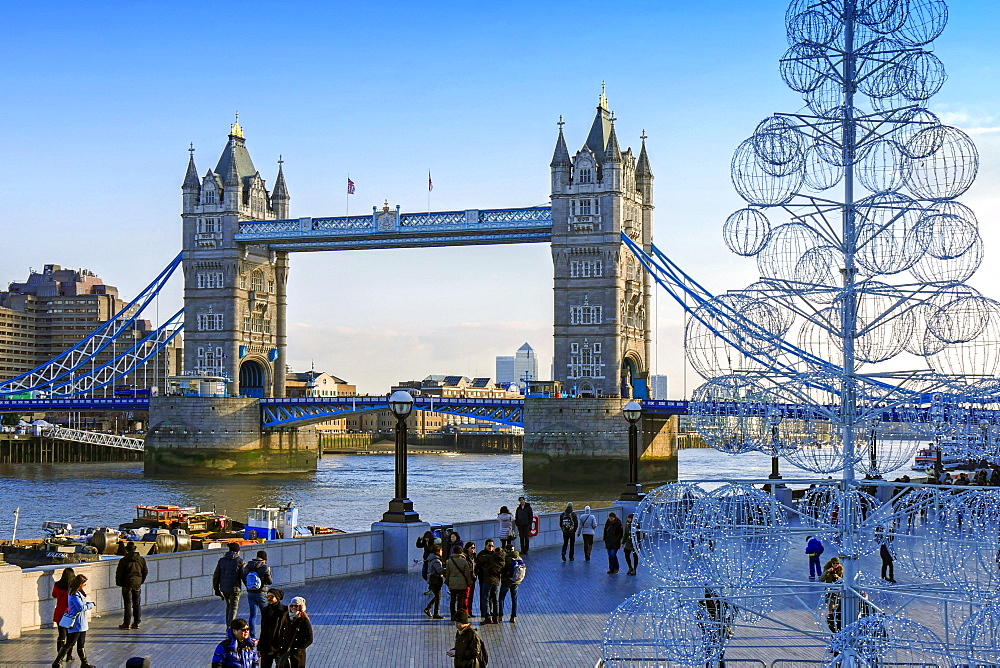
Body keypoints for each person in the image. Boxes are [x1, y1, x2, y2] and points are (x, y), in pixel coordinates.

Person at [52, 574, 96, 668]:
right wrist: (91, 605)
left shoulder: (77, 592)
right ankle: (57, 662)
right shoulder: (74, 594)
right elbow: (80, 607)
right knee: (70, 643)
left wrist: (87, 604)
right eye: (84, 583)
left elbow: (82, 604)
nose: (85, 585)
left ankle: (84, 663)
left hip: (82, 623)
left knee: (81, 644)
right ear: (80, 584)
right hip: (77, 623)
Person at [115, 541, 149, 630]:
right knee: (137, 604)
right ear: (135, 549)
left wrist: (119, 582)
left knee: (128, 604)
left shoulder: (123, 560)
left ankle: (126, 623)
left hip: (126, 583)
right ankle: (136, 622)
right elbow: (145, 571)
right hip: (137, 583)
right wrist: (141, 580)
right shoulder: (141, 560)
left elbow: (119, 573)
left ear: (127, 550)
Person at [214, 542, 247, 626]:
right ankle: (230, 628)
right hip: (235, 589)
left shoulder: (221, 560)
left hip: (224, 588)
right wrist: (249, 587)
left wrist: (216, 589)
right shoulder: (240, 561)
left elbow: (216, 576)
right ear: (238, 551)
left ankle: (228, 626)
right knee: (233, 608)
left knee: (229, 606)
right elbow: (244, 576)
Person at [474, 538, 504, 625]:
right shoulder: (498, 558)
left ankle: (488, 617)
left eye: (492, 546)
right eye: (489, 546)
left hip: (488, 580)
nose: (491, 547)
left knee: (487, 599)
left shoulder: (490, 557)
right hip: (492, 580)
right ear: (485, 546)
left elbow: (481, 562)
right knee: (494, 600)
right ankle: (493, 617)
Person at [244, 550, 273, 638]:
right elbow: (270, 582)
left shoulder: (248, 566)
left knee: (252, 615)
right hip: (262, 593)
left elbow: (244, 577)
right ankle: (265, 634)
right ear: (264, 559)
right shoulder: (265, 567)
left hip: (250, 593)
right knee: (265, 615)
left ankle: (252, 636)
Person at [277, 596, 313, 668]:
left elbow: (309, 639)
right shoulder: (286, 617)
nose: (293, 608)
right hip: (285, 651)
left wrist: (299, 648)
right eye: (292, 605)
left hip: (297, 654)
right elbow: (281, 632)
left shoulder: (304, 620)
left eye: (296, 606)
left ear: (300, 607)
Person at [258, 588, 288, 668]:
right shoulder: (265, 611)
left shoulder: (284, 611)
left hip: (279, 646)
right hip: (266, 646)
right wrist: (259, 647)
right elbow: (263, 629)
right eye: (267, 596)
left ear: (277, 598)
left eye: (271, 597)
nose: (268, 599)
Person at [445, 544, 474, 622]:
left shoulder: (449, 561)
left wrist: (447, 582)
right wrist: (469, 582)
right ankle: (459, 616)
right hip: (462, 584)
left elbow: (447, 573)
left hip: (452, 583)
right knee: (460, 601)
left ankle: (452, 615)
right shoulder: (464, 561)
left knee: (452, 599)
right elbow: (467, 574)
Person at [51, 567, 75, 656]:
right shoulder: (73, 587)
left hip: (60, 612)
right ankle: (69, 655)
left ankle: (60, 655)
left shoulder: (57, 584)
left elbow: (54, 595)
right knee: (70, 635)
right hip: (70, 613)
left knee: (61, 635)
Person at [499, 548, 526, 623]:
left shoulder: (506, 558)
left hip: (506, 581)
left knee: (501, 598)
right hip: (516, 582)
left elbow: (502, 569)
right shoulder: (519, 558)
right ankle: (513, 617)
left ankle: (500, 616)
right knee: (514, 599)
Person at [424, 544, 446, 619]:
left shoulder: (432, 558)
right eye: (441, 550)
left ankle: (428, 609)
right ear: (437, 551)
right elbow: (440, 570)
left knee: (437, 596)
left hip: (432, 580)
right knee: (438, 597)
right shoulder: (436, 560)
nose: (442, 552)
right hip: (435, 580)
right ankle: (435, 613)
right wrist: (448, 569)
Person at [462, 542, 478, 616]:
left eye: (474, 548)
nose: (473, 549)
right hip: (466, 579)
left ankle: (469, 611)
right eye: (472, 548)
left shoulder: (474, 557)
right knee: (466, 596)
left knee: (471, 595)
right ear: (467, 548)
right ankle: (465, 611)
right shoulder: (464, 557)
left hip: (473, 578)